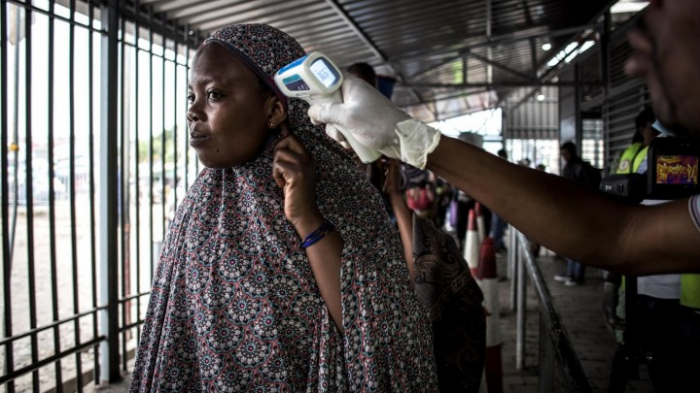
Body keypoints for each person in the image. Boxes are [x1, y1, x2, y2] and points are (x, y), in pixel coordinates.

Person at [130, 24, 438, 392]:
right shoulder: (199, 205)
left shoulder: (339, 191)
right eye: (190, 97)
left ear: (275, 109)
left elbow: (382, 334)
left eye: (214, 94)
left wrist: (308, 220)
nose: (193, 112)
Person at [553, 142, 599, 286]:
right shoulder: (571, 167)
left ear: (572, 152)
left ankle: (577, 276)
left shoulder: (580, 167)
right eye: (562, 154)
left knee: (578, 243)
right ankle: (571, 273)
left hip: (581, 211)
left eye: (565, 153)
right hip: (572, 210)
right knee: (572, 243)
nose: (564, 157)